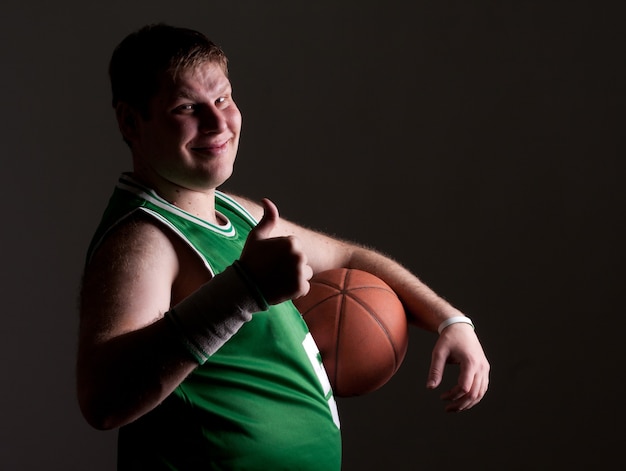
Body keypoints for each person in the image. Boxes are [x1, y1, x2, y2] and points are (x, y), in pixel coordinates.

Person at [77, 23, 490, 470]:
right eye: (187, 108)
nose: (217, 122)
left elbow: (350, 258)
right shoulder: (143, 239)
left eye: (223, 99)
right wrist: (242, 290)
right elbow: (104, 401)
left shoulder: (236, 214)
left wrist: (450, 319)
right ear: (131, 122)